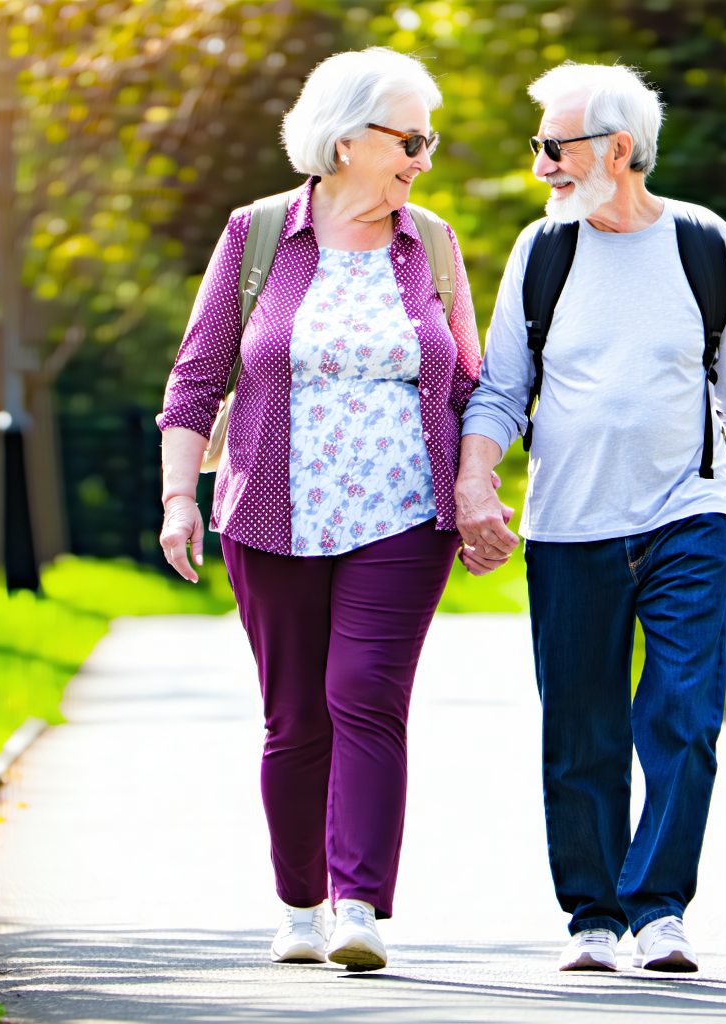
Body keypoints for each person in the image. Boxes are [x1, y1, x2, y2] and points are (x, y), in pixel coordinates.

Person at [157, 48, 483, 971]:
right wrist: (180, 498)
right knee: (295, 716)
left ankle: (359, 907)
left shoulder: (436, 245)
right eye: (410, 137)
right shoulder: (258, 235)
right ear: (346, 139)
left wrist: (477, 484)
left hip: (403, 517)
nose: (425, 155)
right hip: (271, 514)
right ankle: (299, 906)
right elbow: (196, 379)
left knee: (367, 699)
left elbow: (469, 384)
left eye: (432, 137)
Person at [454, 62, 726, 974]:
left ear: (618, 148)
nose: (543, 167)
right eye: (539, 149)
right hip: (568, 527)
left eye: (553, 148)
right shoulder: (541, 250)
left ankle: (660, 907)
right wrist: (476, 483)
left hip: (688, 518)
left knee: (684, 712)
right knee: (582, 726)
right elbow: (500, 391)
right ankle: (593, 917)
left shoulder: (703, 243)